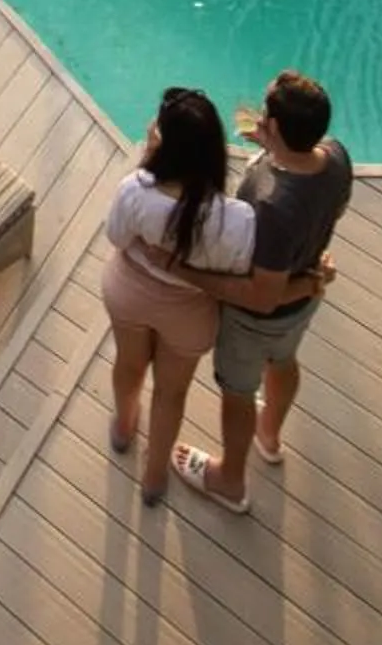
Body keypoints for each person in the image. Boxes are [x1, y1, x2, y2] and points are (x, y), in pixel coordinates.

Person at [102, 87, 328, 509]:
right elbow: (242, 272)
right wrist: (311, 282)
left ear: (164, 144)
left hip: (129, 292)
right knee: (171, 393)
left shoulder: (135, 189)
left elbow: (116, 237)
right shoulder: (236, 219)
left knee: (128, 364)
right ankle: (154, 479)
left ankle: (123, 426)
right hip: (189, 313)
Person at [173, 68, 351, 516]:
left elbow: (262, 295)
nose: (258, 113)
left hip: (257, 319)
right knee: (285, 361)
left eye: (265, 110)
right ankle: (268, 437)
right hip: (303, 306)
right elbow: (336, 207)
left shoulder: (270, 203)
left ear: (274, 125)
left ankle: (228, 480)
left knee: (237, 391)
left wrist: (191, 276)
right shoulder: (335, 156)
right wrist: (312, 275)